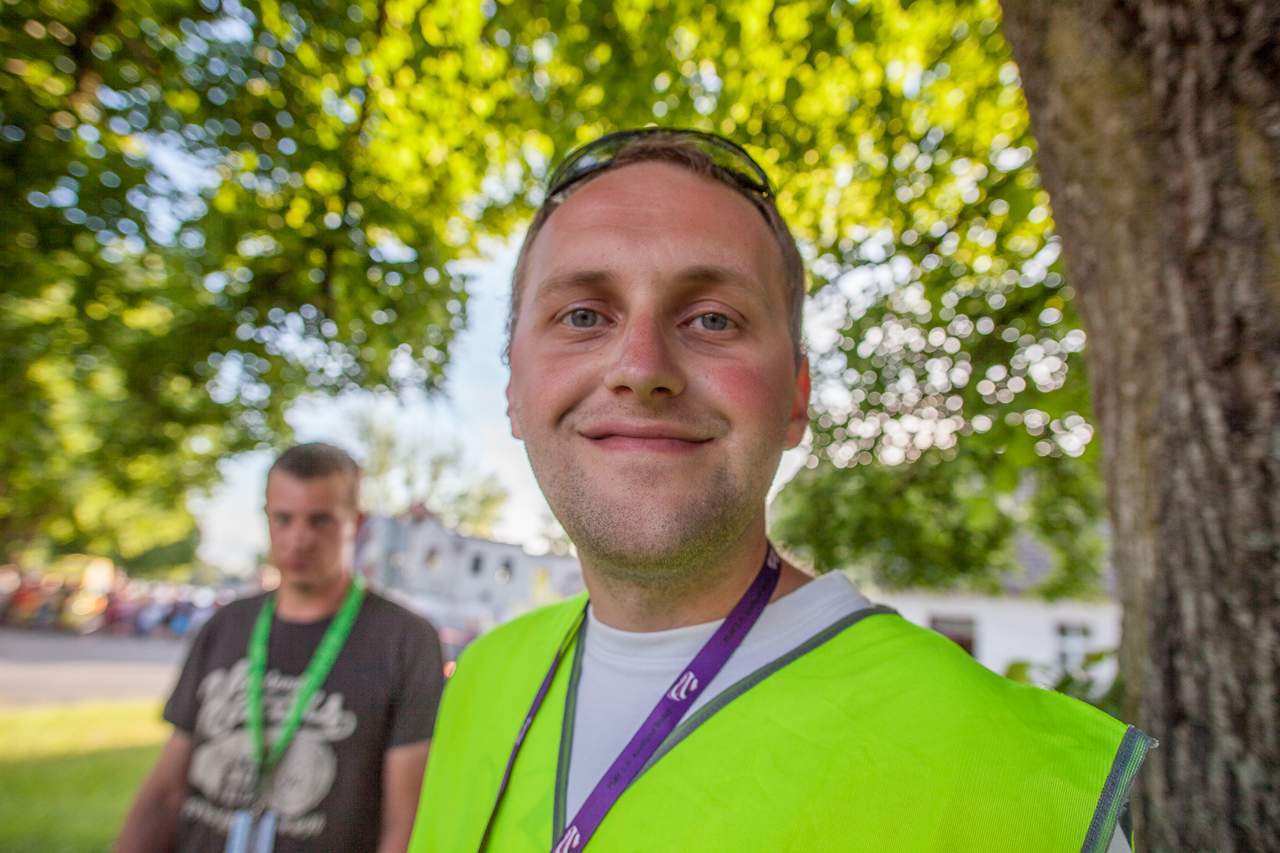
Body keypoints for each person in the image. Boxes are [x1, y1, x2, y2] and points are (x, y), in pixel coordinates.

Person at [409, 130, 1151, 853]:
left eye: (712, 319)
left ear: (796, 398)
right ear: (514, 390)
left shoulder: (1011, 785)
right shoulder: (481, 680)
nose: (640, 366)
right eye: (582, 316)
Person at [117, 443, 445, 853]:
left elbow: (404, 821)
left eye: (321, 521)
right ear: (267, 517)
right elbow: (165, 792)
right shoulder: (226, 625)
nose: (299, 539)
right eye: (283, 519)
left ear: (357, 524)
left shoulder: (405, 640)